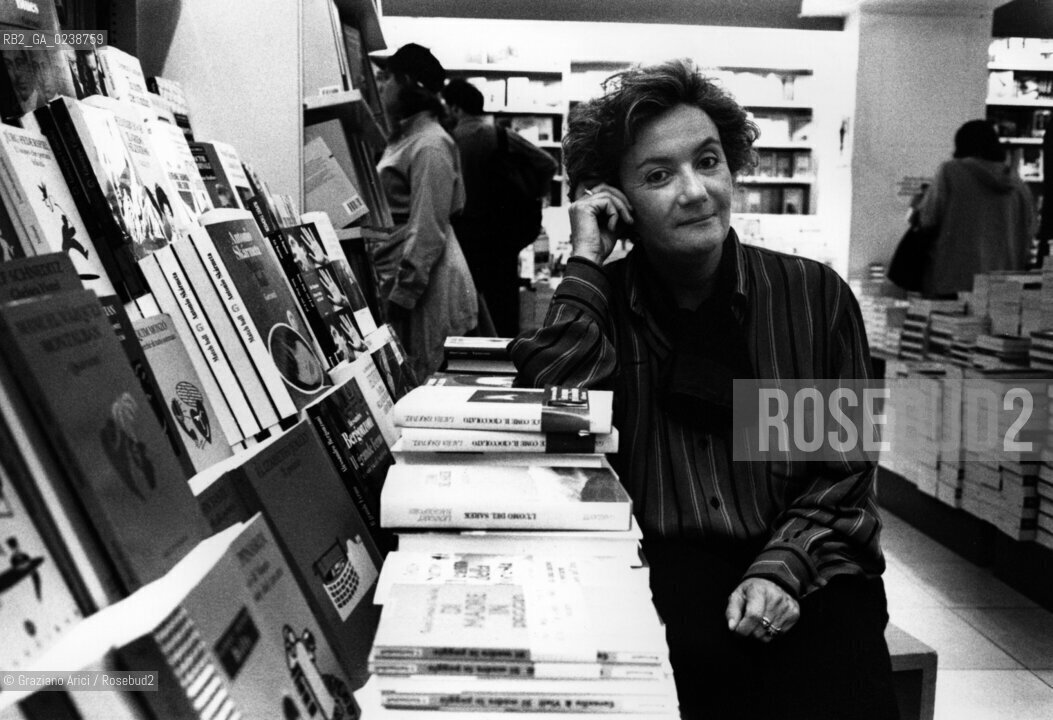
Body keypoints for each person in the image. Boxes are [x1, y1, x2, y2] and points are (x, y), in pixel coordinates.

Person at [509, 59, 898, 720]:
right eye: (658, 175)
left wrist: (780, 568)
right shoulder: (606, 305)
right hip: (661, 573)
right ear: (616, 200)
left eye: (708, 161)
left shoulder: (805, 300)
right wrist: (583, 264)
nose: (694, 192)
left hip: (804, 559)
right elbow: (554, 429)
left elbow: (837, 474)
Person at [372, 44, 478, 379]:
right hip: (415, 277)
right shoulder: (410, 136)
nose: (381, 85)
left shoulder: (430, 143)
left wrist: (403, 295)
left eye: (387, 78)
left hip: (425, 287)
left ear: (407, 83)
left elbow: (427, 227)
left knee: (422, 380)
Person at [442, 78, 558, 337]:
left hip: (462, 236)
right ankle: (506, 360)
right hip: (500, 236)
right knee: (503, 305)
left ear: (456, 108)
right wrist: (532, 195)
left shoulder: (448, 142)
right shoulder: (499, 135)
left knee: (467, 309)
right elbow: (548, 163)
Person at [916, 119, 1035, 296]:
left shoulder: (950, 172)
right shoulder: (1018, 186)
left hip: (952, 281)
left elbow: (928, 219)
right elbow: (1030, 231)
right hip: (1003, 288)